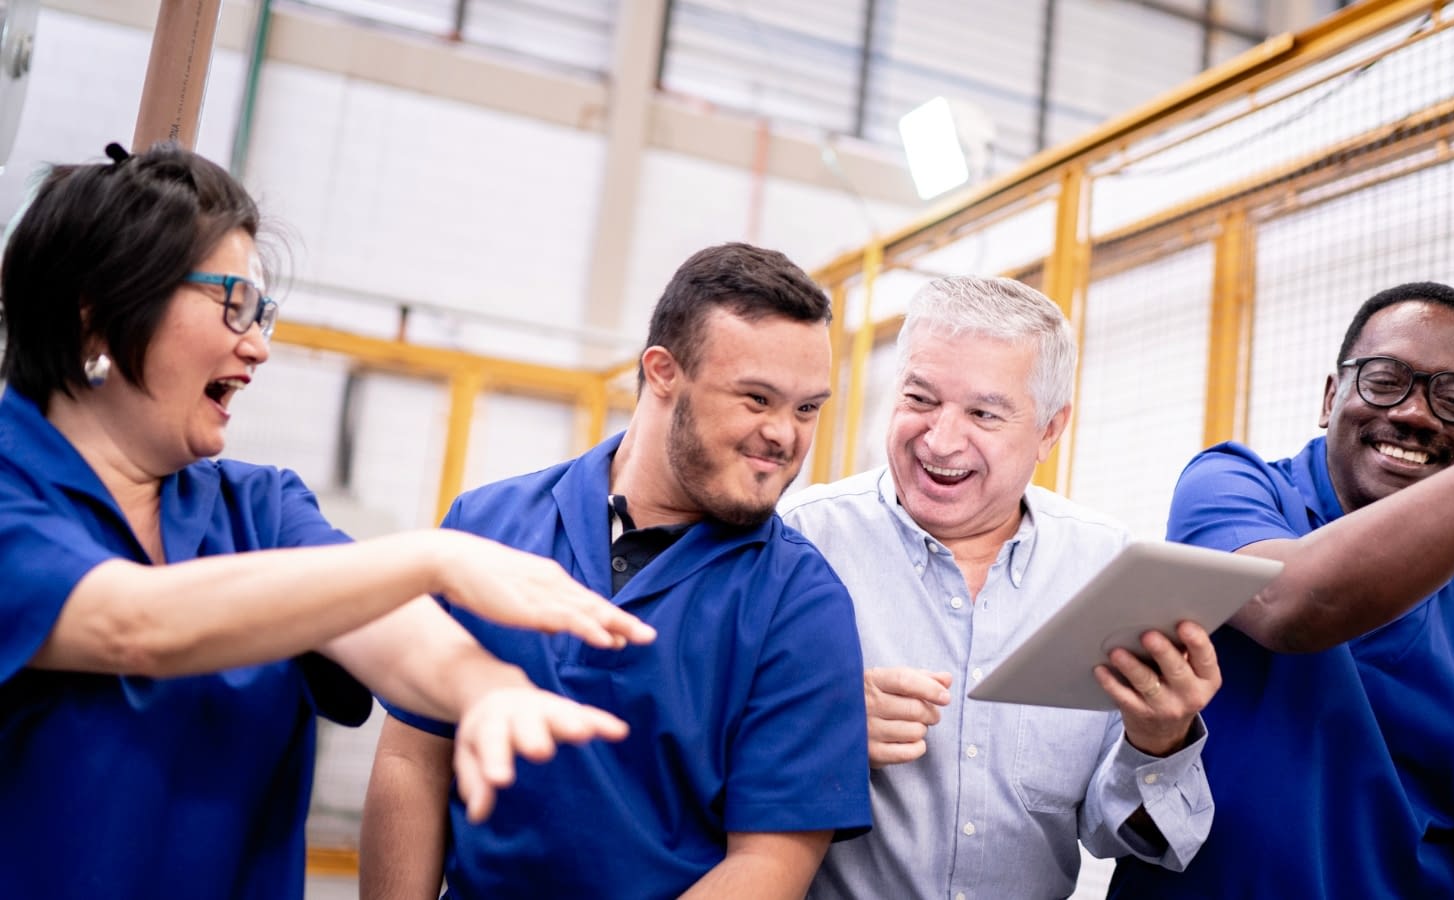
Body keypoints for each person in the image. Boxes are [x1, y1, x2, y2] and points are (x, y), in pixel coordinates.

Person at [0, 143, 658, 900]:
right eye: (233, 305)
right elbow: (134, 624)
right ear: (96, 318)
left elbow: (387, 631)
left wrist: (488, 690)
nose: (258, 346)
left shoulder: (258, 508)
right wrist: (431, 557)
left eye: (262, 313)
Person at [360, 242, 872, 899]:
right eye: (756, 399)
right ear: (663, 371)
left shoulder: (801, 605)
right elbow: (412, 758)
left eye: (807, 408)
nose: (785, 434)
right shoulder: (486, 528)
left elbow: (769, 865)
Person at [1110, 281, 1454, 899]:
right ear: (1332, 397)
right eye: (1385, 380)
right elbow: (1293, 606)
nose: (1415, 413)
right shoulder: (1233, 486)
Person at [778, 275, 1220, 899]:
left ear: (1049, 430)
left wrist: (1158, 742)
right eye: (920, 399)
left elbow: (1122, 837)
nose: (940, 439)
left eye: (983, 413)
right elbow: (689, 757)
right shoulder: (799, 542)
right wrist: (811, 725)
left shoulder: (1106, 569)